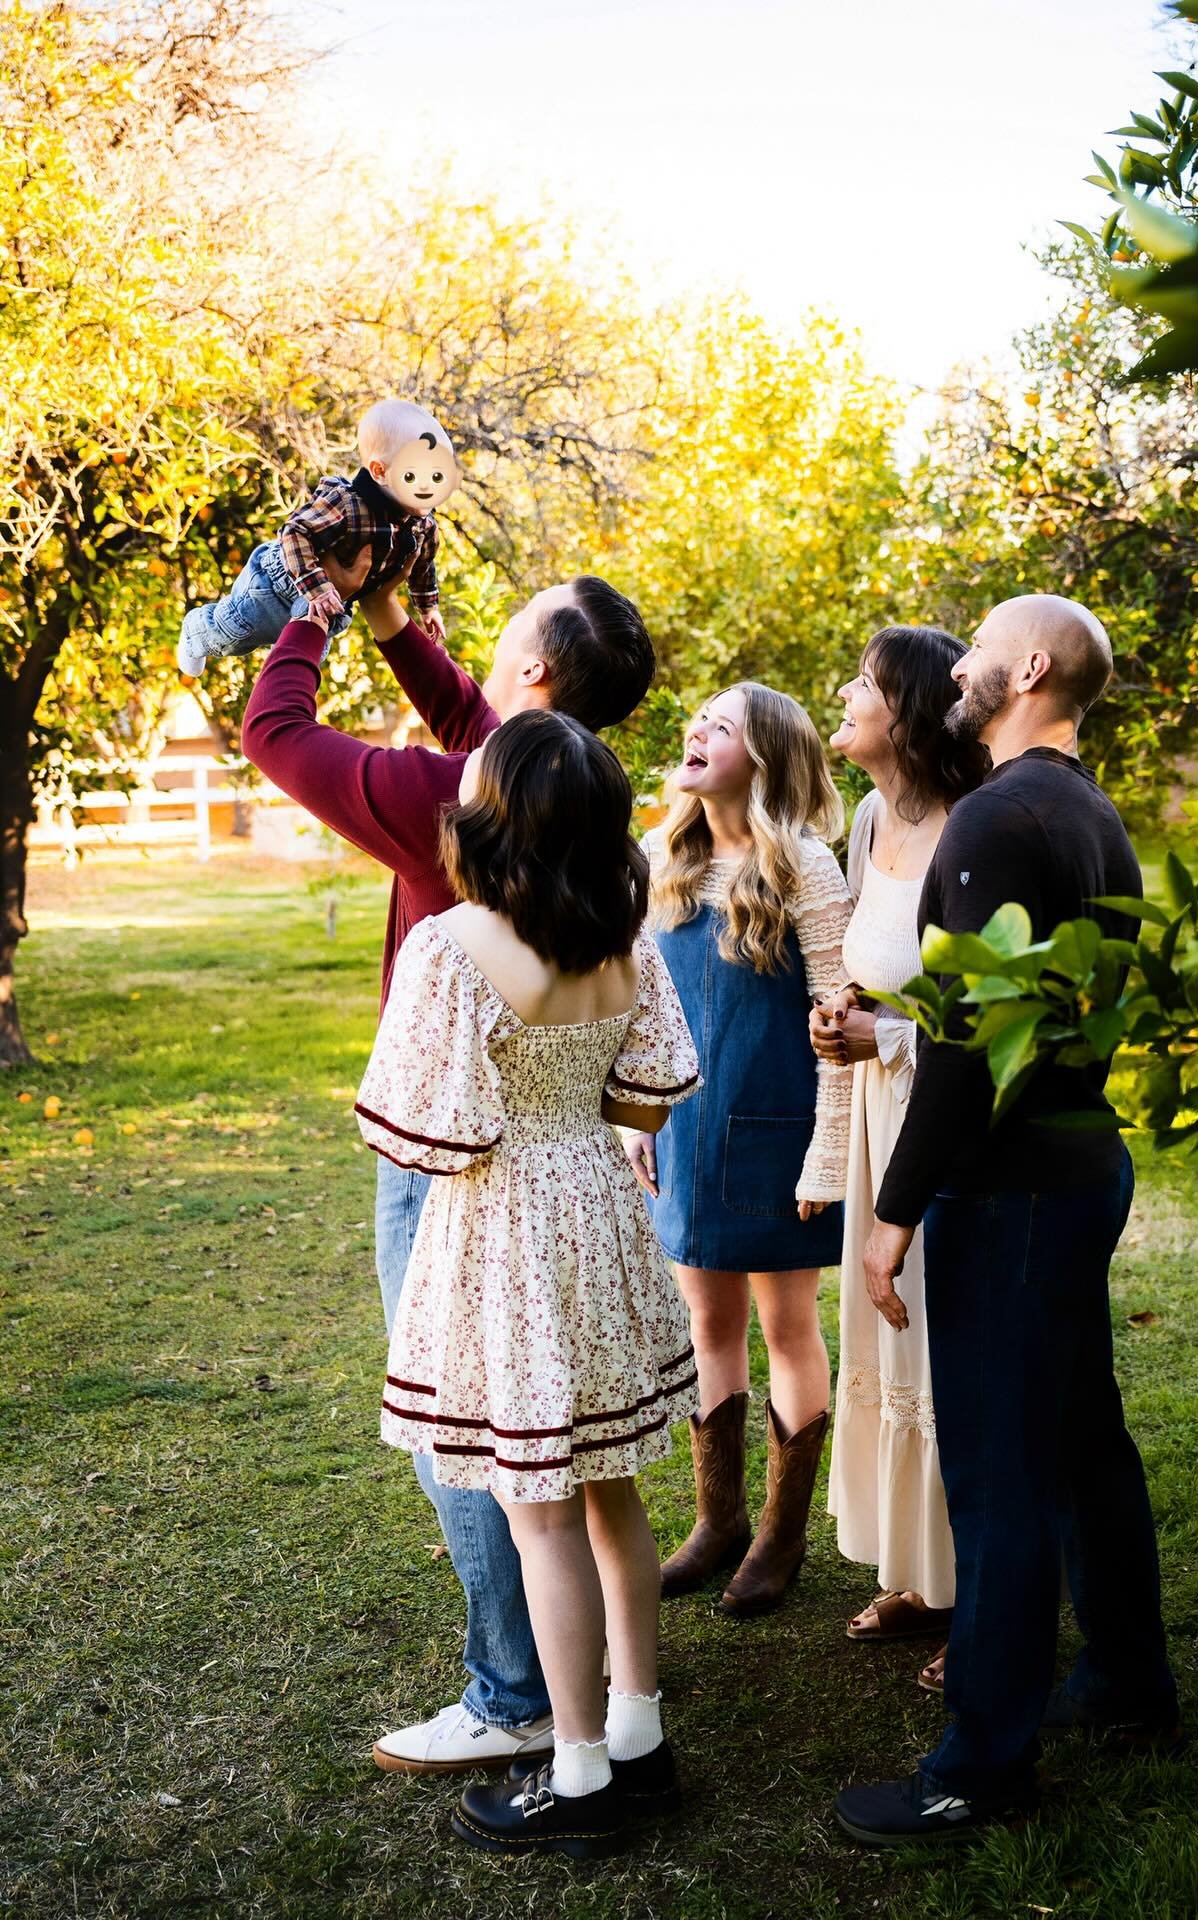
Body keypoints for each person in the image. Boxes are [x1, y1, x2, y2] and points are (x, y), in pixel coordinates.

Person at [241, 548, 655, 1776]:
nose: (468, 646)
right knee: (587, 1452)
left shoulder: (445, 813)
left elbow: (275, 732)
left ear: (530, 668)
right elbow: (492, 726)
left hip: (472, 1174)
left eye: (496, 635)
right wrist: (399, 628)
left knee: (472, 1429)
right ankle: (618, 1703)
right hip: (589, 1172)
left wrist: (312, 608)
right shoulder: (594, 824)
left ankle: (513, 1686)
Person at [834, 594, 1178, 1849]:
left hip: (1017, 1182)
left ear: (1030, 668)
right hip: (1084, 1165)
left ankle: (981, 1764)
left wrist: (894, 1211)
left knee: (999, 1480)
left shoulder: (996, 815)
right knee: (1085, 1437)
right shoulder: (1094, 813)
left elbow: (972, 1051)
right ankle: (1129, 1684)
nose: (961, 664)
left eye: (980, 646)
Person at [356, 711, 700, 1857]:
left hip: (502, 1227)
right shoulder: (626, 940)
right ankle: (639, 1731)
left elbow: (425, 1137)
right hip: (598, 1212)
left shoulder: (452, 947)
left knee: (538, 1510)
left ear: (489, 815)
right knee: (612, 1494)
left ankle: (580, 1765)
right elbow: (649, 1094)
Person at [624, 683, 852, 1617]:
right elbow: (635, 1005)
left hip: (779, 1141)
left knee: (786, 1328)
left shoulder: (806, 866)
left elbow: (842, 1020)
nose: (697, 730)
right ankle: (715, 1522)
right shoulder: (659, 857)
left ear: (765, 757)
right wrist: (630, 1119)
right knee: (704, 1327)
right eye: (698, 719)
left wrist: (829, 1156)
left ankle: (778, 1536)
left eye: (723, 725)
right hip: (680, 1133)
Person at [811, 627, 985, 1685]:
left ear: (910, 714)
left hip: (948, 1123)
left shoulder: (978, 827)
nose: (844, 692)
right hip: (879, 1112)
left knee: (943, 1350)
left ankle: (981, 1595)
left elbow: (997, 1019)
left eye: (865, 685)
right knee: (886, 1347)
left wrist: (894, 1037)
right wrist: (846, 1022)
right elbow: (873, 976)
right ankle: (921, 1573)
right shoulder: (874, 814)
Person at [180, 398, 458, 675]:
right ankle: (196, 630)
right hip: (281, 584)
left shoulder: (424, 526)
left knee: (307, 662)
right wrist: (318, 588)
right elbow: (295, 531)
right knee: (233, 635)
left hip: (332, 603)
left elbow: (423, 565)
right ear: (380, 471)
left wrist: (428, 606)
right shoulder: (347, 503)